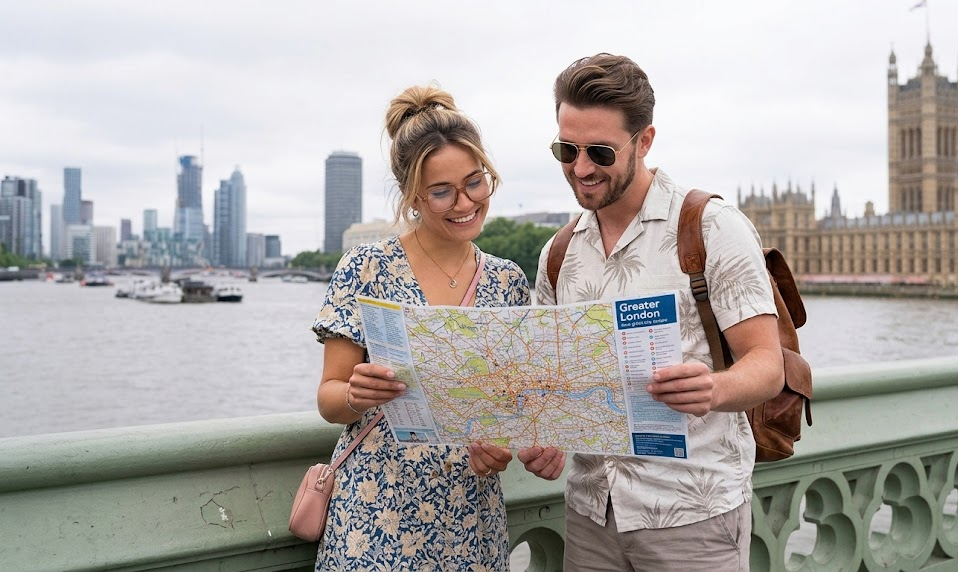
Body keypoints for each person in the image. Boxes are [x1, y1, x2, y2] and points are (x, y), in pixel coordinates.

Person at [517, 53, 785, 571]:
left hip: (694, 518)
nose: (581, 168)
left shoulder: (710, 227)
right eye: (565, 150)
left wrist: (713, 388)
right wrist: (543, 438)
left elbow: (767, 366)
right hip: (592, 515)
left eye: (600, 151)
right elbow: (548, 384)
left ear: (645, 141)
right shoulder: (558, 253)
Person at [310, 84, 530, 570]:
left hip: (472, 523)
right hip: (375, 520)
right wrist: (355, 394)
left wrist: (503, 447)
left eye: (475, 182)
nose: (464, 202)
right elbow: (328, 397)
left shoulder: (508, 282)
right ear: (411, 196)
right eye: (441, 191)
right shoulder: (366, 269)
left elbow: (513, 407)